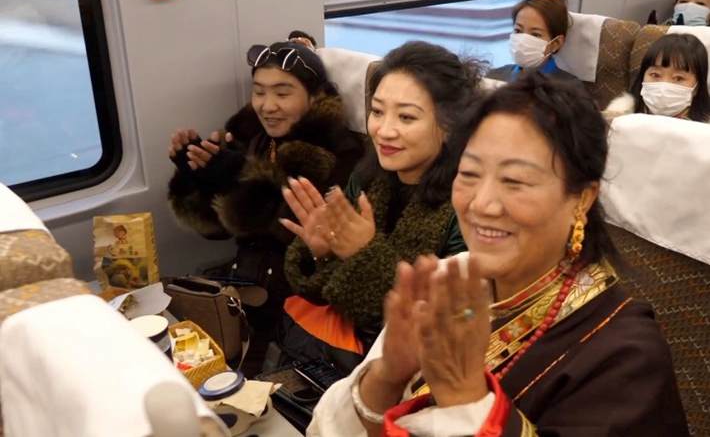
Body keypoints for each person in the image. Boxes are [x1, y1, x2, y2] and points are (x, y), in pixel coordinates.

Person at [307, 72, 690, 437]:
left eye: (515, 181)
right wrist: (388, 375)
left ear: (582, 199)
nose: (481, 204)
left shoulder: (625, 356)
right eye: (469, 174)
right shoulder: (450, 278)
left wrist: (465, 399)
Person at [277, 41, 484, 374]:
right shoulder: (367, 177)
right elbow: (322, 292)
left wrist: (365, 254)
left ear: (449, 126)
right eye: (377, 111)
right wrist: (322, 253)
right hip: (336, 360)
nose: (384, 131)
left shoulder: (470, 206)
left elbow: (446, 325)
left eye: (406, 117)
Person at [166, 31, 365, 375]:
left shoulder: (338, 152)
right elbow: (216, 232)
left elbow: (297, 235)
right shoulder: (254, 139)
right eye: (259, 92)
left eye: (282, 93)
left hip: (295, 298)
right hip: (242, 286)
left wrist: (238, 178)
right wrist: (198, 178)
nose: (267, 106)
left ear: (315, 96)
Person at [604, 33, 710, 122]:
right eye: (655, 75)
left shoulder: (704, 132)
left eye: (678, 78)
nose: (664, 85)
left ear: (697, 87)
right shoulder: (617, 119)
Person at [487, 0, 582, 87]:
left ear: (556, 43)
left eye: (535, 35)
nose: (522, 41)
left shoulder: (570, 88)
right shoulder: (494, 78)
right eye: (518, 31)